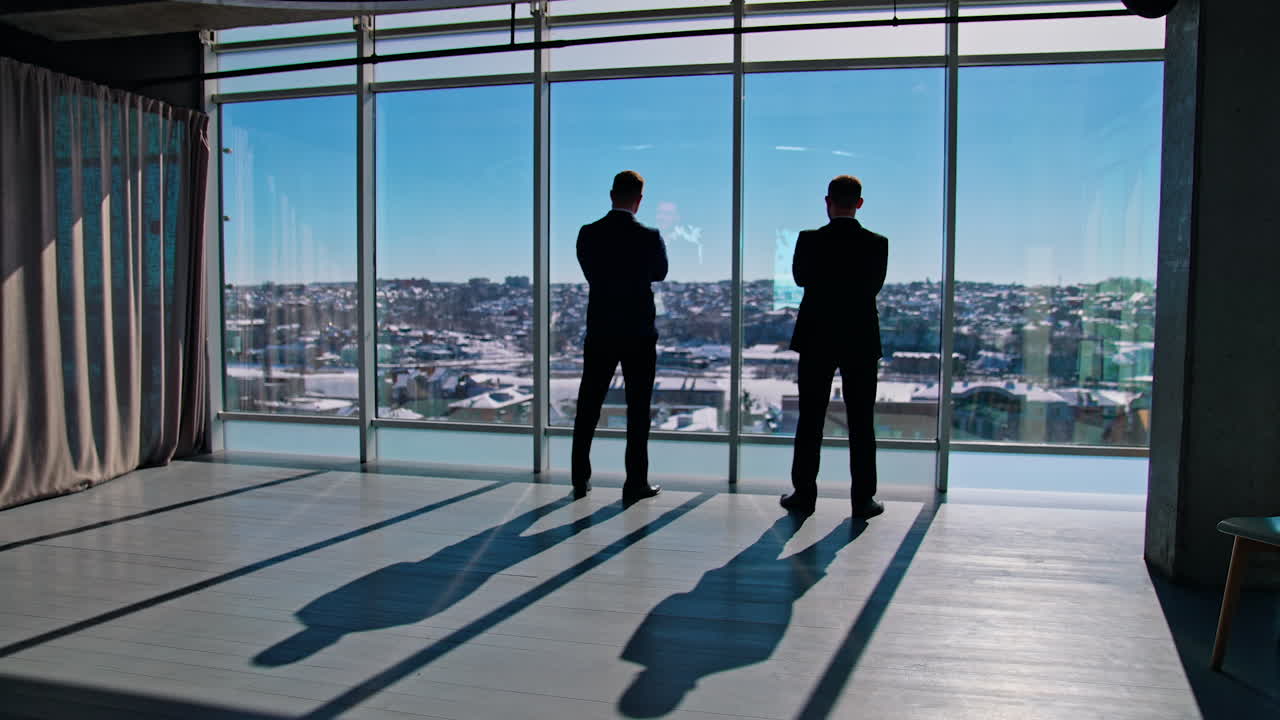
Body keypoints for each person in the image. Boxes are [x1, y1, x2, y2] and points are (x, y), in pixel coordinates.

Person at [782, 175, 887, 518]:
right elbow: (873, 286)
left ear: (827, 201)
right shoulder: (877, 243)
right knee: (861, 422)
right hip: (860, 338)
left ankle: (804, 493)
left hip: (817, 336)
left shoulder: (809, 240)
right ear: (859, 203)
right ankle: (862, 499)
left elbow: (800, 278)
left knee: (810, 419)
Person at [571, 170, 667, 502]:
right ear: (639, 201)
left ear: (611, 194)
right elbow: (660, 272)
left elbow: (589, 271)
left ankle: (579, 478)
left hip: (601, 327)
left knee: (589, 403)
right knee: (638, 408)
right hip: (638, 331)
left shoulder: (588, 233)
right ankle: (634, 482)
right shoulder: (649, 236)